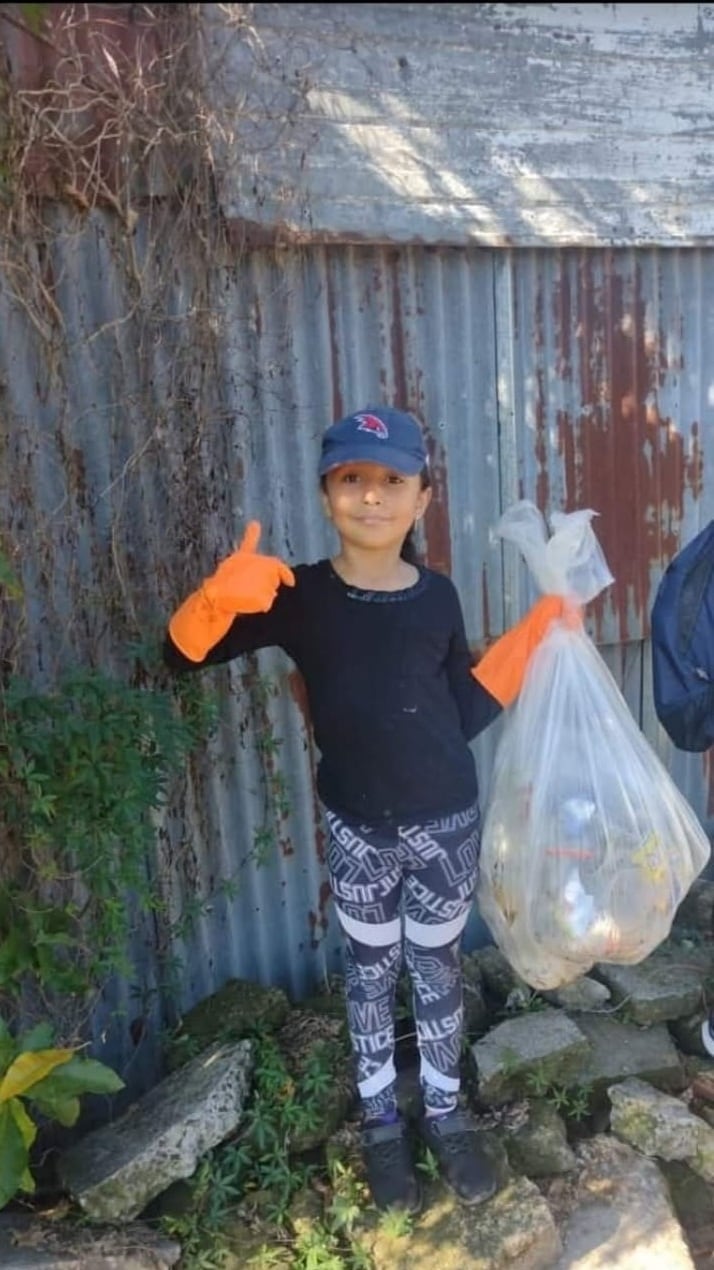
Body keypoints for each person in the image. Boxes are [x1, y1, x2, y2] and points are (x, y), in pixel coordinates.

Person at [163, 405, 567, 1214]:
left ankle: (447, 1112)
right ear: (326, 495)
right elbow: (180, 655)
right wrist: (214, 599)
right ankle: (383, 1119)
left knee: (437, 971)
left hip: (446, 823)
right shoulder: (297, 596)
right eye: (353, 478)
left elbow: (461, 708)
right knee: (371, 974)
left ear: (423, 499)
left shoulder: (439, 599)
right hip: (357, 830)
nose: (372, 497)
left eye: (392, 480)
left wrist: (535, 637)